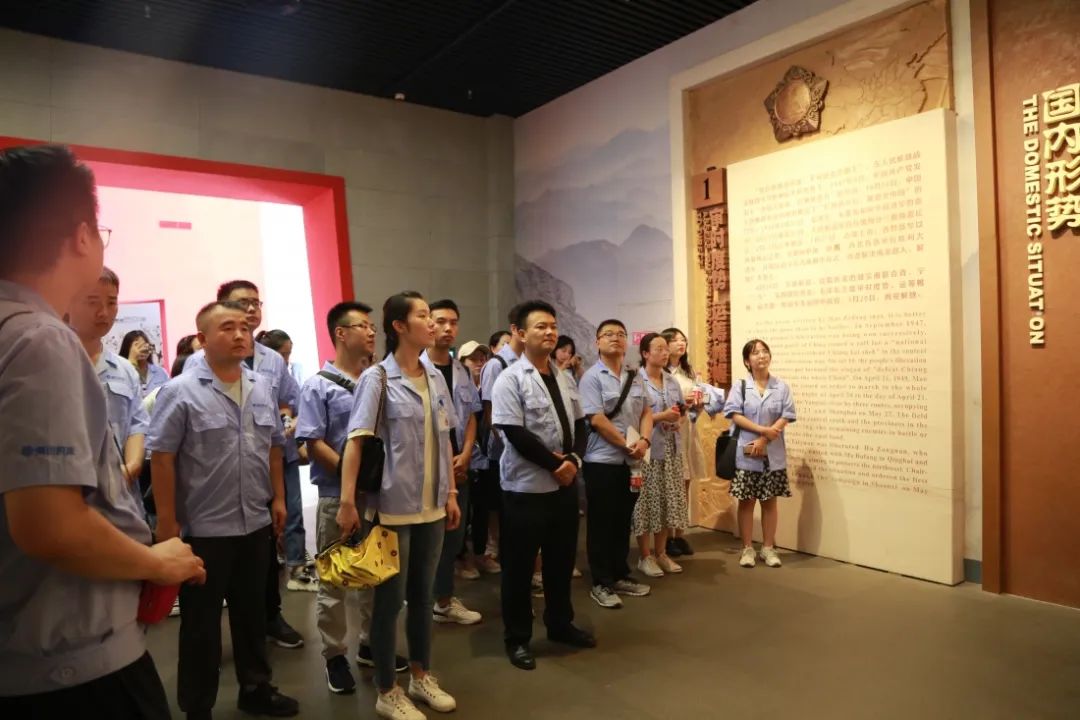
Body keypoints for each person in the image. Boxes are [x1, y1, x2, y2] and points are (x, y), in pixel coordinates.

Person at [0, 143, 204, 718]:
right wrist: (157, 562)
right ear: (83, 237)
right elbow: (51, 526)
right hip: (69, 663)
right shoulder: (39, 340)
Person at [148, 301, 299, 719]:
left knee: (252, 615)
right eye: (227, 328)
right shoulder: (180, 391)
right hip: (204, 529)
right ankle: (197, 707)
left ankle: (256, 688)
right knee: (201, 624)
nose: (239, 335)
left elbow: (273, 447)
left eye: (244, 328)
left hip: (254, 521)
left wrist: (279, 498)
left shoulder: (260, 386)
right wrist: (166, 524)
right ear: (202, 338)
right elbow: (162, 458)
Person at [338, 291, 460, 720]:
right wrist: (347, 502)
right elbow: (357, 441)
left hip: (432, 507)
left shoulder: (435, 376)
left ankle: (421, 675)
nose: (433, 324)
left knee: (423, 598)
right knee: (389, 603)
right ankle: (387, 689)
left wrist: (450, 493)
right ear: (400, 326)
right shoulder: (378, 379)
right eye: (424, 316)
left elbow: (445, 438)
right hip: (391, 507)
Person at [295, 301, 408, 695]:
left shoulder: (379, 379)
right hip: (337, 497)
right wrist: (351, 479)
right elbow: (313, 441)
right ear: (341, 333)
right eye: (363, 326)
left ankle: (370, 645)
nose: (372, 332)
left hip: (379, 497)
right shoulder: (318, 385)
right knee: (335, 579)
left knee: (376, 573)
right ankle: (334, 655)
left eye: (373, 326)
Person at [185, 280, 304, 649]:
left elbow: (288, 400)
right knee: (217, 569)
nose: (251, 310)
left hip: (267, 462)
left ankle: (270, 616)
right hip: (218, 478)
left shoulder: (272, 360)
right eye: (242, 303)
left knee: (264, 554)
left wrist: (285, 418)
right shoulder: (197, 363)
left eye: (255, 303)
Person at [491, 300, 594, 671]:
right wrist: (556, 465)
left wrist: (574, 461)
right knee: (519, 568)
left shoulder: (564, 376)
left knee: (561, 560)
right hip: (525, 489)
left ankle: (560, 623)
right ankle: (517, 638)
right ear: (520, 333)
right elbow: (514, 432)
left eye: (553, 326)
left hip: (564, 486)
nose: (549, 332)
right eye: (540, 326)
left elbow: (580, 424)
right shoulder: (510, 379)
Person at [579, 318, 653, 609]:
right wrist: (626, 445)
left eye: (621, 334)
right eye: (608, 334)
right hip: (602, 461)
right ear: (597, 342)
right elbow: (596, 419)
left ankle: (620, 573)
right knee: (601, 522)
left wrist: (644, 441)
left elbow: (646, 412)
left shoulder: (635, 376)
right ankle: (601, 581)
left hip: (631, 461)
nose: (615, 338)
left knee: (623, 519)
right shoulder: (591, 377)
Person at [422, 300, 483, 626]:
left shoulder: (461, 370)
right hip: (428, 467)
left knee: (454, 537)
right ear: (427, 324)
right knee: (429, 538)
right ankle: (435, 598)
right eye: (441, 321)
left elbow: (471, 415)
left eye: (454, 322)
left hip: (460, 464)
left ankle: (442, 599)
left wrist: (468, 451)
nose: (448, 328)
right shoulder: (415, 368)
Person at [66, 267, 150, 496]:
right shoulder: (50, 363)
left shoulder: (125, 369)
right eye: (92, 302)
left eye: (111, 302)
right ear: (68, 302)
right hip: (71, 492)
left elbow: (137, 424)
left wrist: (132, 467)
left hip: (123, 493)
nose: (103, 312)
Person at [724, 339, 796, 569]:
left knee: (769, 502)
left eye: (765, 351)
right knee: (746, 502)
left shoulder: (781, 386)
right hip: (747, 452)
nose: (761, 356)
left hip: (771, 452)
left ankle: (768, 548)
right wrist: (761, 430)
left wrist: (765, 438)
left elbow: (787, 415)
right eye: (755, 353)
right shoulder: (741, 386)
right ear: (747, 361)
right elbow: (734, 414)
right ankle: (747, 548)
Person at [256, 328, 318, 593]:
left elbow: (292, 403)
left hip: (286, 453)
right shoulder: (249, 370)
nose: (286, 359)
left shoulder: (284, 373)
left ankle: (296, 567)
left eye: (289, 354)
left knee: (293, 510)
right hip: (258, 457)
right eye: (284, 354)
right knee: (263, 515)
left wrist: (289, 420)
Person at [660, 327, 723, 558]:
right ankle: (665, 537)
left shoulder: (688, 372)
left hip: (688, 431)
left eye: (683, 340)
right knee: (669, 486)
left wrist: (699, 402)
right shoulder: (660, 373)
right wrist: (682, 402)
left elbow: (697, 405)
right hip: (667, 432)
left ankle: (679, 533)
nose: (681, 343)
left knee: (685, 483)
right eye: (675, 340)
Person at [474, 308, 525, 574]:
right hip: (502, 450)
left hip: (525, 451)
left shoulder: (529, 363)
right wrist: (508, 443)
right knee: (499, 505)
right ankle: (498, 553)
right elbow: (490, 410)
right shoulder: (496, 364)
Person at [632, 333, 688, 578]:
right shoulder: (636, 380)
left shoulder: (672, 381)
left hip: (670, 449)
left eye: (666, 348)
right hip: (646, 451)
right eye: (659, 349)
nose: (665, 353)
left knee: (666, 502)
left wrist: (676, 421)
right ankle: (645, 556)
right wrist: (661, 417)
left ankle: (662, 553)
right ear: (645, 353)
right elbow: (633, 418)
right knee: (645, 504)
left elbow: (681, 411)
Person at [120, 329, 170, 398]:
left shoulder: (161, 372)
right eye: (138, 346)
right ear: (128, 348)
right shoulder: (121, 372)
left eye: (144, 345)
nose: (142, 349)